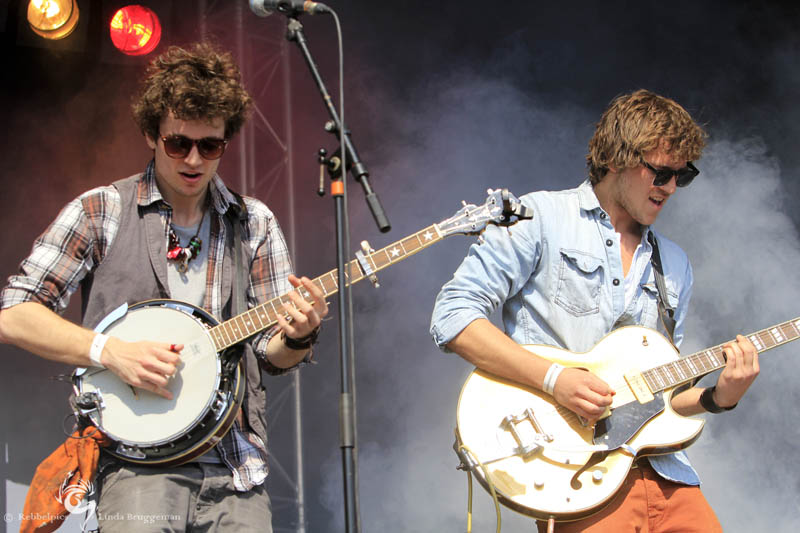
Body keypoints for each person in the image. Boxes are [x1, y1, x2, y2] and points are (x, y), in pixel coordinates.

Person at [0, 42, 327, 532]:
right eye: (179, 143)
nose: (193, 159)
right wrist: (109, 351)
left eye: (210, 146)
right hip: (135, 467)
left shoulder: (253, 222)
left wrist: (298, 336)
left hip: (236, 467)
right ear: (152, 134)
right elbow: (14, 314)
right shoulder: (101, 210)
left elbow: (270, 356)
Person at [430, 89, 760, 532]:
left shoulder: (675, 264)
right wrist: (555, 379)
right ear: (618, 158)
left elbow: (663, 397)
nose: (670, 188)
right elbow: (452, 316)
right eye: (660, 172)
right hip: (578, 478)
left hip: (668, 477)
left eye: (684, 175)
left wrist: (720, 398)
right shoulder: (540, 218)